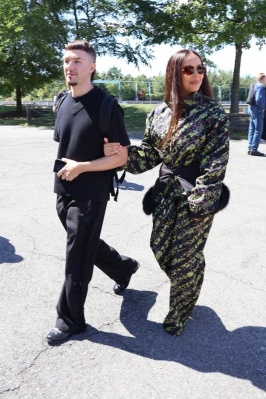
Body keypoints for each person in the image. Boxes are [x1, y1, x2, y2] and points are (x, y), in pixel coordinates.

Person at [104, 49, 230, 336]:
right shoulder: (159, 113)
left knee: (186, 254)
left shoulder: (212, 113)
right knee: (160, 248)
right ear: (174, 73)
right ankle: (190, 284)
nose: (197, 75)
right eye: (189, 70)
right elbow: (149, 154)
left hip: (197, 192)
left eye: (200, 69)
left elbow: (216, 162)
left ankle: (180, 311)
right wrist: (120, 153)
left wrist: (201, 204)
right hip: (165, 191)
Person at [46, 39, 139, 346]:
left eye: (77, 61)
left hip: (90, 193)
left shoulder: (106, 106)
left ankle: (70, 320)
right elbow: (66, 140)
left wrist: (83, 166)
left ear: (92, 67)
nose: (69, 66)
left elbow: (121, 157)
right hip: (63, 189)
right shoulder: (62, 101)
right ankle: (124, 267)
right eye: (67, 60)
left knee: (76, 256)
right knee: (85, 245)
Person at [247, 72, 266, 156]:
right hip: (258, 109)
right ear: (262, 79)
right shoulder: (261, 86)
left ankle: (250, 148)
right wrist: (263, 108)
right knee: (258, 130)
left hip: (251, 108)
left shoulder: (254, 85)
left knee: (252, 129)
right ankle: (254, 149)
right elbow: (259, 99)